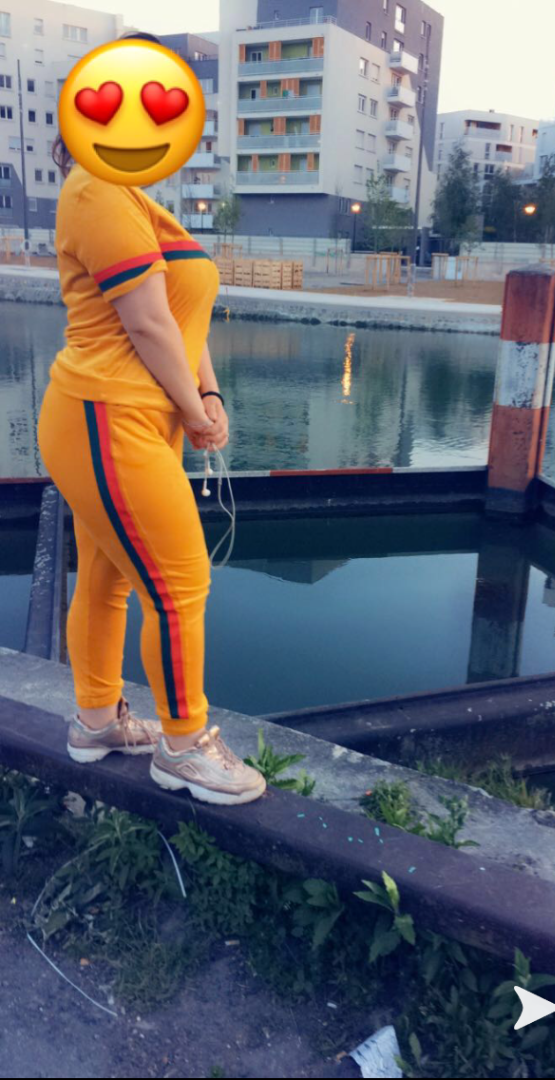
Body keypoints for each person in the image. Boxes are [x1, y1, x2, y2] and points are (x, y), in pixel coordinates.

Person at [37, 30, 266, 806]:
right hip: (106, 417)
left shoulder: (132, 194)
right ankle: (184, 746)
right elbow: (145, 322)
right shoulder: (96, 193)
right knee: (179, 582)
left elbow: (180, 315)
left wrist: (210, 397)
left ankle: (97, 722)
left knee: (109, 579)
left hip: (131, 417)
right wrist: (194, 409)